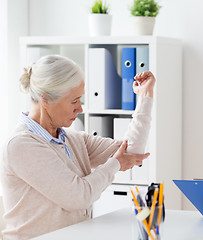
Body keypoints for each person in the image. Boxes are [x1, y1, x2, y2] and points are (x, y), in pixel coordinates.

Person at [0, 55, 156, 239]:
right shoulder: (22, 145)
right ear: (45, 100)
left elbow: (130, 152)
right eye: (74, 101)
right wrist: (115, 164)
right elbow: (78, 197)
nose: (80, 109)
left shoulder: (72, 140)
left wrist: (145, 97)